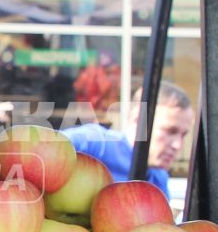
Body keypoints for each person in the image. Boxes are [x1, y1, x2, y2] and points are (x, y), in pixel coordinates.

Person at [65, 81, 195, 192]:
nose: (177, 145)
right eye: (170, 131)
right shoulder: (94, 143)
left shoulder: (159, 178)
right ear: (137, 119)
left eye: (183, 135)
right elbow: (46, 148)